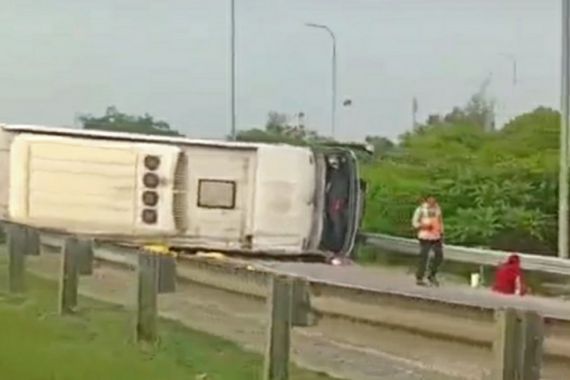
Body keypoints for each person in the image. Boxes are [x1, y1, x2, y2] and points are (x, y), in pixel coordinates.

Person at [411, 195, 444, 286]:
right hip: (425, 236)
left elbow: (440, 221)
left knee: (439, 256)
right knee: (424, 256)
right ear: (427, 200)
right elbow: (414, 223)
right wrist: (422, 226)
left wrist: (441, 231)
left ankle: (432, 275)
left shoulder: (437, 209)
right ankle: (420, 277)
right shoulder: (421, 209)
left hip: (436, 235)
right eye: (431, 199)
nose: (433, 201)